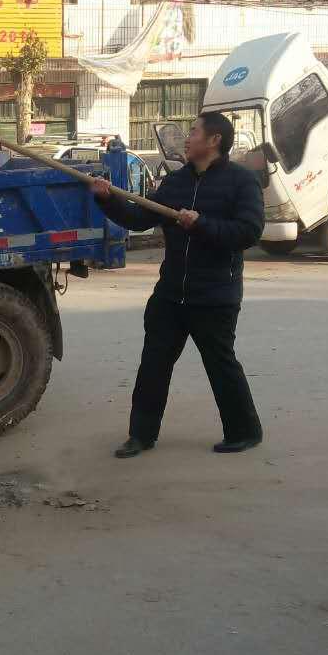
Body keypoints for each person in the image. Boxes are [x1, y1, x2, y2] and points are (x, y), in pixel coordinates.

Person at [90, 111, 265, 457]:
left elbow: (248, 232)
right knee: (153, 365)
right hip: (171, 294)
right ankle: (141, 435)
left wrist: (202, 224)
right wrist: (107, 198)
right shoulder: (176, 183)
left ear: (214, 140)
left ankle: (244, 431)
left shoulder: (241, 182)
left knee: (221, 365)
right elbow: (140, 218)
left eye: (194, 132)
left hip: (215, 295)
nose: (187, 138)